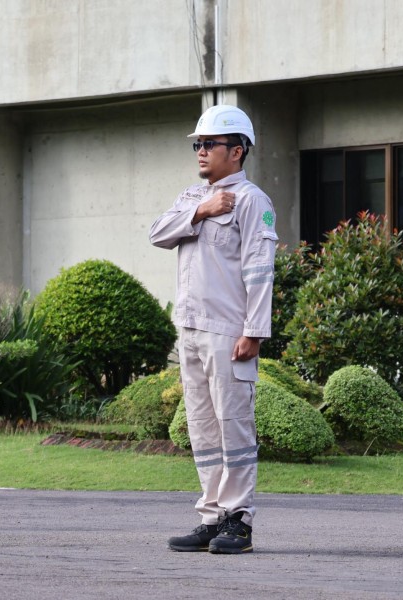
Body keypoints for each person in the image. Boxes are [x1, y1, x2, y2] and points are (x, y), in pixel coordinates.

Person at [149, 104, 278, 554]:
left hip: (229, 331)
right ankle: (211, 516)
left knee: (234, 425)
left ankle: (238, 518)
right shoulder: (192, 198)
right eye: (198, 144)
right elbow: (157, 233)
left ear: (238, 150)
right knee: (202, 427)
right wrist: (203, 210)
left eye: (210, 144)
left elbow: (261, 271)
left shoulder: (253, 201)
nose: (201, 151)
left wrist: (254, 332)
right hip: (190, 329)